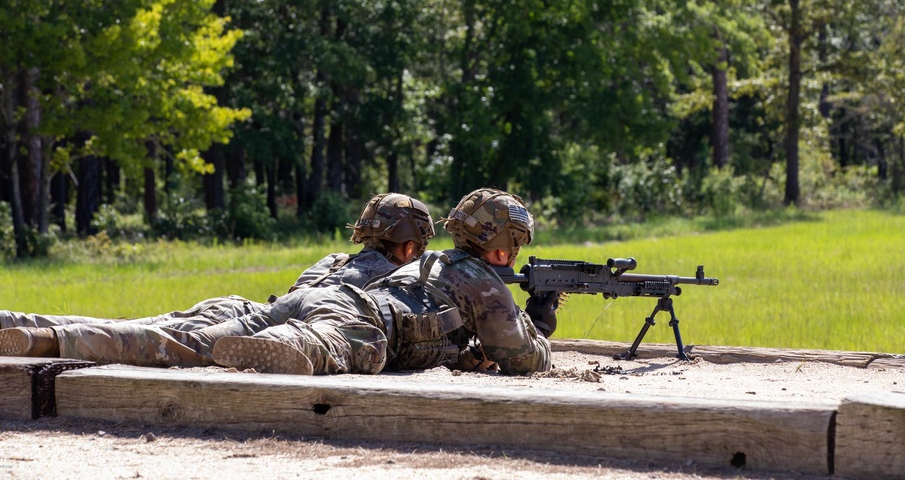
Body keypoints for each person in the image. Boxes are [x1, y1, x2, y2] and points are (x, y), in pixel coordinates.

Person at [1, 188, 554, 377]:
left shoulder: (424, 264)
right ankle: (273, 349)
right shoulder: (482, 281)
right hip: (356, 317)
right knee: (326, 344)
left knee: (168, 334)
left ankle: (45, 334)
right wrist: (543, 324)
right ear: (500, 242)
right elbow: (523, 357)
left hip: (305, 300)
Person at [0, 192, 435, 361]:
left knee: (145, 326)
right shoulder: (410, 274)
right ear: (411, 246)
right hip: (293, 325)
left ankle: (27, 324)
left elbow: (293, 295)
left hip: (247, 308)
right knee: (173, 347)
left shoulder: (333, 259)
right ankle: (50, 343)